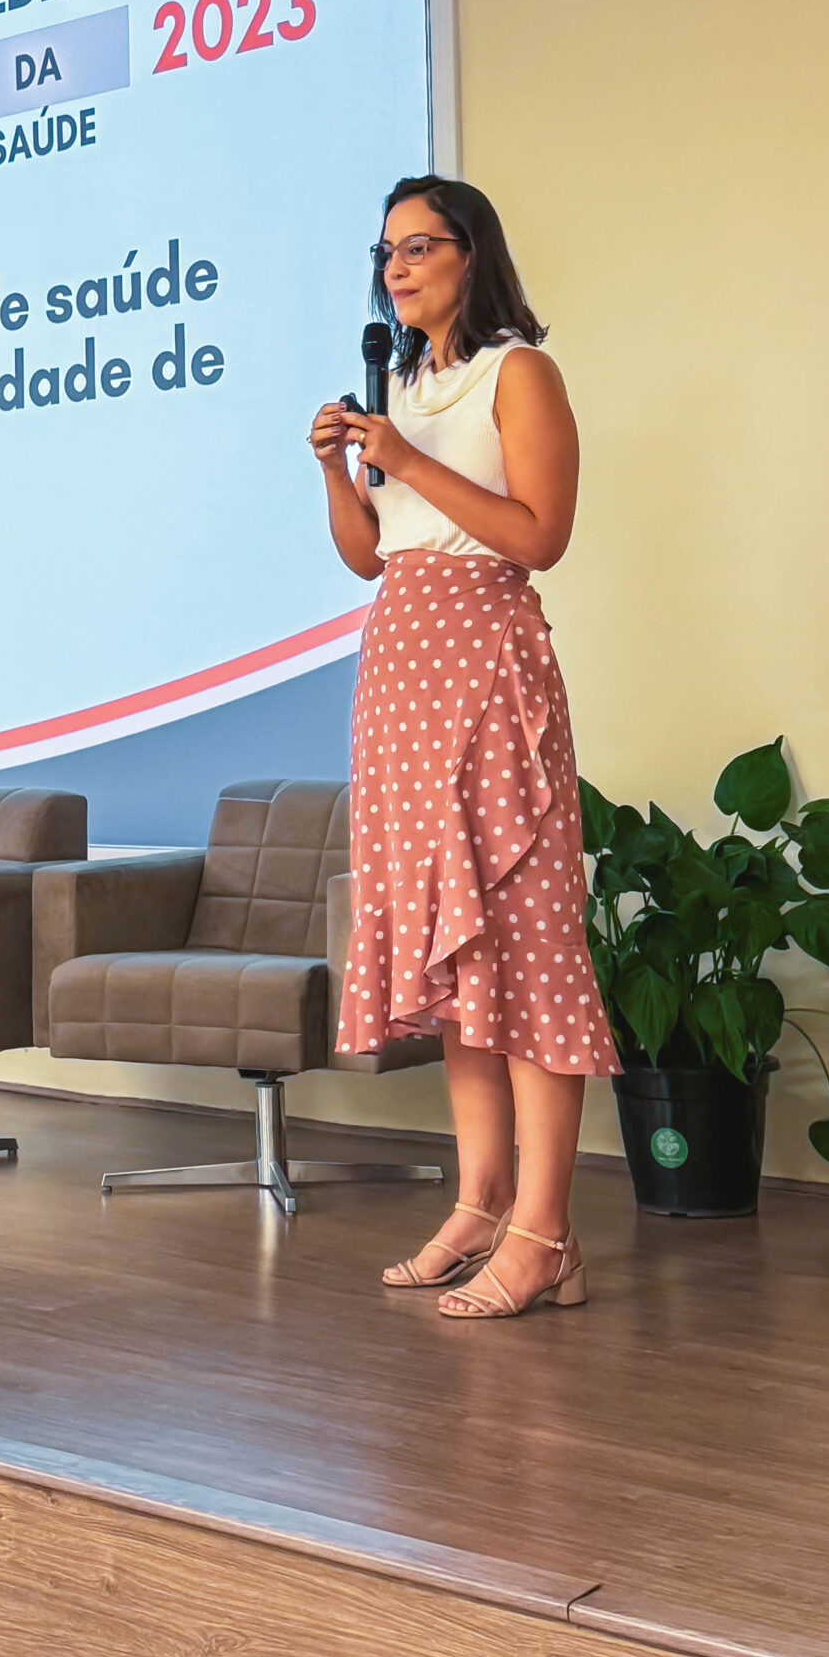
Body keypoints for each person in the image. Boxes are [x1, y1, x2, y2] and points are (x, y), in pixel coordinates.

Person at [309, 173, 618, 1321]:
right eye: (385, 250)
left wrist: (410, 456)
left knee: (521, 938)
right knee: (456, 953)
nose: (395, 266)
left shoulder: (517, 373)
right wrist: (340, 466)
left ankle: (546, 1230)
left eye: (419, 245)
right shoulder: (407, 385)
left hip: (486, 660)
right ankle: (481, 1206)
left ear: (471, 254)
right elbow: (369, 554)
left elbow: (541, 535)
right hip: (400, 670)